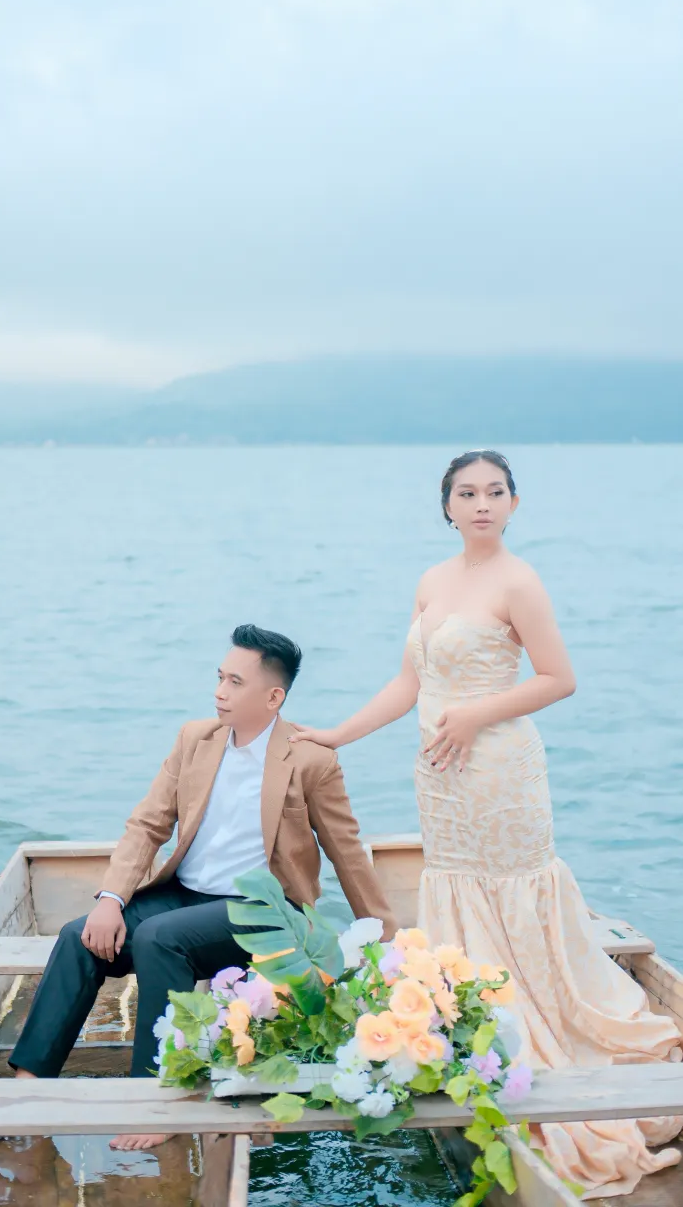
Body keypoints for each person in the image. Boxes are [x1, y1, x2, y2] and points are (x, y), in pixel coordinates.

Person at [290, 449, 682, 1200]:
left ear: (512, 504)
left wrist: (473, 714)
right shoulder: (431, 580)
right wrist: (338, 735)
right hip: (441, 782)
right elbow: (410, 682)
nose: (480, 504)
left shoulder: (518, 581)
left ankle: (538, 1031)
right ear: (446, 505)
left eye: (494, 492)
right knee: (457, 889)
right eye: (466, 493)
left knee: (510, 891)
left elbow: (558, 678)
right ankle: (469, 1024)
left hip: (501, 773)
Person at [1, 623, 397, 1153]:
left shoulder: (310, 760)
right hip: (185, 895)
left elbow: (345, 850)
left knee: (160, 938)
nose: (220, 692)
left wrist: (386, 939)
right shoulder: (195, 739)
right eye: (219, 678)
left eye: (236, 682)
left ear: (273, 697)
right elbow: (147, 825)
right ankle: (26, 1089)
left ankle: (162, 1096)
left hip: (262, 909)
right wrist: (111, 899)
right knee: (79, 937)